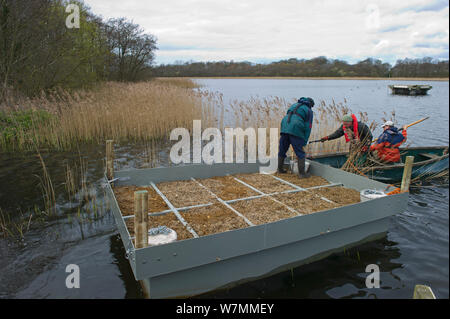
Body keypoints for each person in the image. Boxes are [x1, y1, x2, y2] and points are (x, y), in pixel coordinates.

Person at [278, 97, 315, 178]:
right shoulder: (309, 111)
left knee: (282, 149)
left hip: (284, 125)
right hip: (296, 128)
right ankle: (302, 174)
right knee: (300, 152)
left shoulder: (294, 105)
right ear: (311, 105)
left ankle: (279, 169)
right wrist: (304, 141)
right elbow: (308, 127)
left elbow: (288, 115)